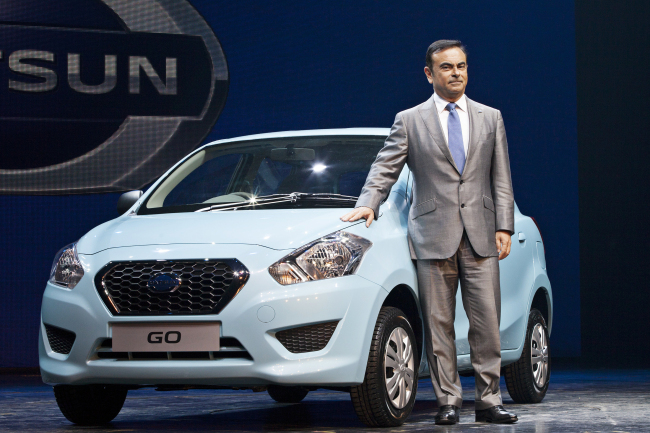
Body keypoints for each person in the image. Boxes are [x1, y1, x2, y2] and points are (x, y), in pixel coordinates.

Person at [340, 39, 518, 425]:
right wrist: (369, 202)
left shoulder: (490, 117)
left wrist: (504, 225)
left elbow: (501, 177)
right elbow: (385, 166)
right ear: (429, 73)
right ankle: (449, 401)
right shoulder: (410, 119)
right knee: (439, 325)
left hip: (481, 234)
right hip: (432, 235)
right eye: (447, 67)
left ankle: (489, 400)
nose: (456, 73)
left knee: (487, 322)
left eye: (462, 66)